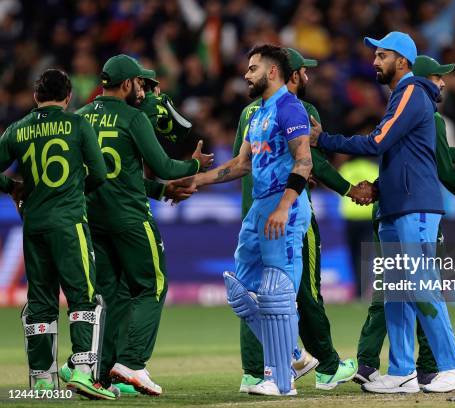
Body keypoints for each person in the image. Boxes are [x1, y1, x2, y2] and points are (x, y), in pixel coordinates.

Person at [310, 32, 455, 394]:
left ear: (402, 60)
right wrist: (378, 189)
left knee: (421, 283)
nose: (374, 61)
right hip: (396, 206)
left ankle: (454, 366)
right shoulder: (402, 96)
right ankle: (401, 371)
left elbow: (377, 142)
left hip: (416, 207)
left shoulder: (412, 91)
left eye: (381, 55)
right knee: (399, 289)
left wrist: (324, 139)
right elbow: (404, 159)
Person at [355, 55, 455, 387]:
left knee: (403, 289)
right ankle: (422, 367)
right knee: (414, 287)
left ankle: (421, 367)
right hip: (416, 210)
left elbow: (438, 155)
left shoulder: (409, 114)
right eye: (439, 77)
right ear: (425, 79)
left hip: (399, 209)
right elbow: (441, 162)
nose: (443, 83)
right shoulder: (429, 114)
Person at [174, 44, 313, 396]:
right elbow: (241, 165)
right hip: (260, 207)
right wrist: (197, 180)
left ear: (271, 72)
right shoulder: (256, 114)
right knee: (241, 291)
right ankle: (293, 354)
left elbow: (304, 162)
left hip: (286, 207)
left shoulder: (290, 107)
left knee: (276, 294)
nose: (245, 74)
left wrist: (284, 206)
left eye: (252, 69)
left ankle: (280, 380)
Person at [74, 54, 212, 396]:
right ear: (126, 85)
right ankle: (132, 363)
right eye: (139, 82)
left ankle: (100, 374)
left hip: (93, 219)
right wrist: (193, 163)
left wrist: (161, 190)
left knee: (110, 295)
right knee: (152, 285)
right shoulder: (133, 118)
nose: (142, 88)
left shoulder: (78, 118)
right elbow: (163, 165)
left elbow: (114, 175)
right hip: (131, 219)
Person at [233, 47, 360, 392]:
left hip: (255, 211)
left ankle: (254, 372)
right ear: (288, 73)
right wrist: (349, 189)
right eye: (304, 71)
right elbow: (311, 162)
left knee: (253, 292)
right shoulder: (299, 108)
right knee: (302, 293)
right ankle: (325, 366)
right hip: (287, 215)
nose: (307, 77)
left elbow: (239, 164)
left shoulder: (250, 112)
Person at [0, 69, 113, 399]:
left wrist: (14, 186)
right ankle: (82, 371)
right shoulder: (78, 125)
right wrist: (75, 189)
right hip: (69, 223)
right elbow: (100, 174)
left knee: (40, 301)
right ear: (68, 98)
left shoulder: (18, 129)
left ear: (36, 96)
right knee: (83, 296)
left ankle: (43, 381)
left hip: (34, 225)